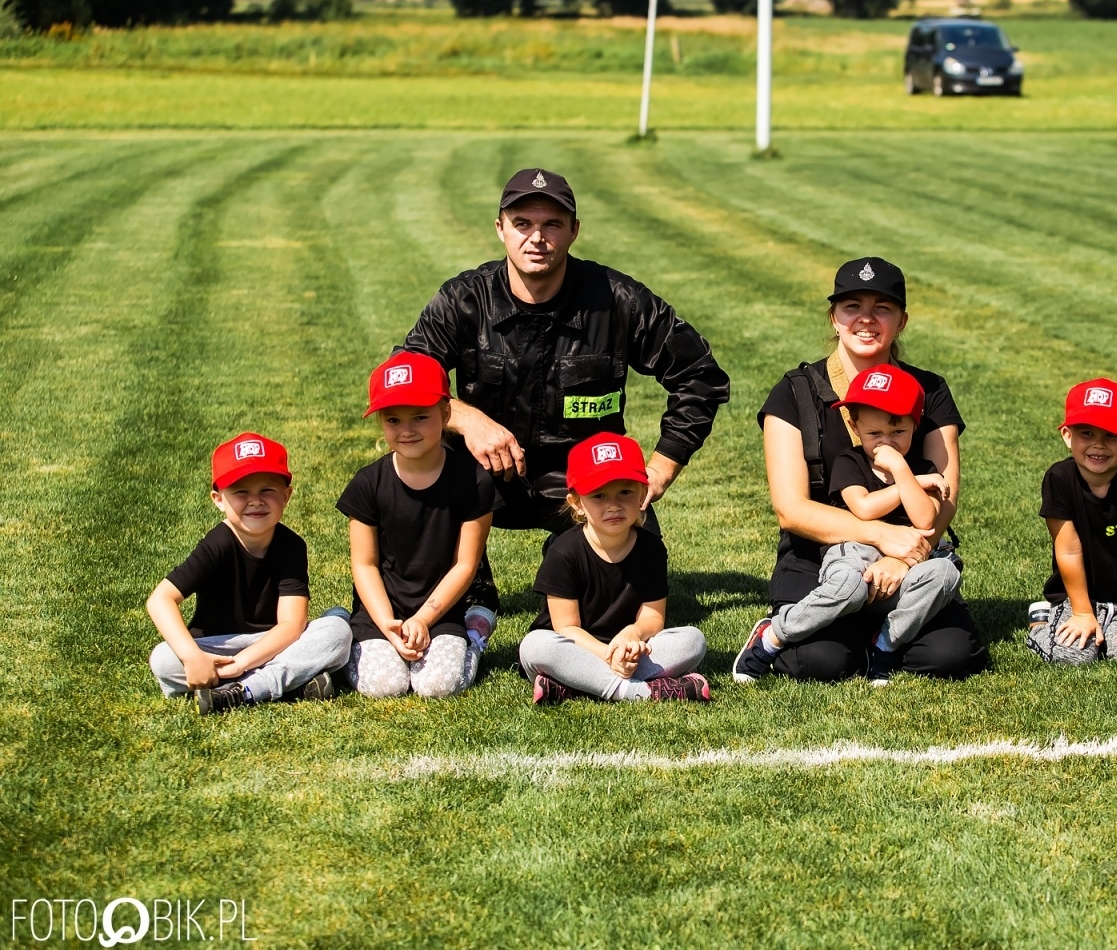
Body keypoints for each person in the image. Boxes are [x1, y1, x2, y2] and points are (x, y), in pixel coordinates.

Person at [400, 167, 730, 641]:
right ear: (500, 228)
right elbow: (403, 381)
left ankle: (561, 613)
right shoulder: (465, 299)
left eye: (552, 224)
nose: (537, 238)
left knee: (623, 612)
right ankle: (471, 591)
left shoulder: (618, 300)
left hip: (587, 478)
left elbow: (700, 375)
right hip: (482, 471)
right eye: (522, 223)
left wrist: (662, 466)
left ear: (574, 230)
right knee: (410, 477)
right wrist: (466, 418)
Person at [750, 257, 987, 682]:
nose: (866, 318)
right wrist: (880, 536)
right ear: (834, 317)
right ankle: (789, 629)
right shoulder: (794, 393)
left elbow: (945, 497)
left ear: (902, 321)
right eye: (852, 306)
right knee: (822, 663)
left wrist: (905, 559)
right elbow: (791, 510)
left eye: (882, 308)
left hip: (912, 551)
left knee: (951, 658)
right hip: (820, 555)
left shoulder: (930, 390)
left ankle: (882, 636)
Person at [735, 364, 961, 685]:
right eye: (875, 434)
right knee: (850, 588)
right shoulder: (850, 461)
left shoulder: (920, 468)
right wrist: (911, 482)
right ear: (855, 428)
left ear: (915, 424)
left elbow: (925, 519)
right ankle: (774, 635)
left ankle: (885, 645)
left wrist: (902, 471)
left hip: (904, 566)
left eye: (898, 432)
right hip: (854, 553)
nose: (887, 443)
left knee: (945, 574)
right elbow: (864, 508)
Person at [146, 433, 352, 715]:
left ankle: (242, 689)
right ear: (218, 499)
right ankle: (290, 683)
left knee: (337, 630)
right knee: (164, 659)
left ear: (286, 496)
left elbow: (291, 625)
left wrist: (241, 664)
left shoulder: (291, 546)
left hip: (272, 643)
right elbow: (160, 600)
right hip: (219, 646)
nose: (255, 501)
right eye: (241, 492)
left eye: (267, 490)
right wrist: (192, 657)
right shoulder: (216, 545)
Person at [337, 352, 501, 698]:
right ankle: (339, 623)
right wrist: (388, 624)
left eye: (420, 417)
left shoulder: (474, 481)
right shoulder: (367, 484)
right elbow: (364, 565)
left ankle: (473, 636)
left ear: (445, 413)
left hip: (442, 610)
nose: (407, 430)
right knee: (386, 686)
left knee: (437, 686)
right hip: (380, 611)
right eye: (393, 420)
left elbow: (465, 564)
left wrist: (425, 619)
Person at [518, 432, 710, 704]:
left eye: (625, 492)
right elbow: (566, 628)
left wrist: (632, 634)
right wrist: (608, 655)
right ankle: (640, 692)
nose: (613, 505)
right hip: (576, 649)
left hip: (631, 650)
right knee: (535, 646)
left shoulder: (652, 549)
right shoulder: (563, 552)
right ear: (577, 503)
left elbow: (653, 618)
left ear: (642, 493)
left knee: (692, 640)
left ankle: (573, 686)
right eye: (599, 495)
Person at [1026, 379, 1117, 666]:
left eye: (1111, 435)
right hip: (1075, 596)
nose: (1098, 444)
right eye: (1086, 433)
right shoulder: (1059, 478)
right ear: (1067, 435)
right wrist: (1082, 613)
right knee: (1072, 656)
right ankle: (1041, 622)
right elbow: (1069, 550)